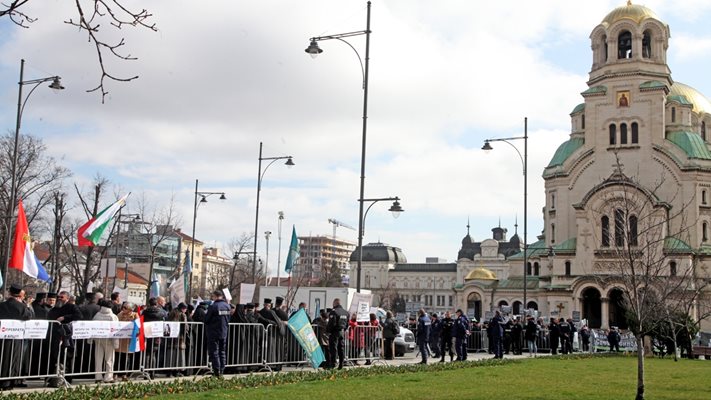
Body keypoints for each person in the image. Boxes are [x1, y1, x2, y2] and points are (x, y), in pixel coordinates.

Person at [0, 285, 33, 390]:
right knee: (13, 359)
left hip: (2, 337)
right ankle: (9, 382)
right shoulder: (21, 306)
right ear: (19, 295)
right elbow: (29, 316)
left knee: (2, 358)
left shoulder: (2, 305)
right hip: (16, 337)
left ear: (9, 293)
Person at [205, 290, 231, 377]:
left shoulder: (213, 306)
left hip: (213, 332)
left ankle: (217, 371)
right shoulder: (227, 306)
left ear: (215, 296)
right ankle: (222, 370)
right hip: (224, 332)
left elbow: (207, 319)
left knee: (214, 352)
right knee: (222, 351)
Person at [92, 299, 119, 383]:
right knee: (109, 359)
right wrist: (116, 343)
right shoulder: (113, 316)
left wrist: (90, 339)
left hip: (98, 339)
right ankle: (108, 377)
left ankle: (98, 377)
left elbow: (91, 327)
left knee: (98, 358)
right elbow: (115, 330)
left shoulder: (97, 315)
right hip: (109, 340)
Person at [327, 298, 349, 369]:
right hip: (342, 332)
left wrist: (328, 330)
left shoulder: (334, 312)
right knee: (341, 348)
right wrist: (343, 329)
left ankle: (333, 364)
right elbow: (347, 324)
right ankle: (341, 364)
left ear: (334, 303)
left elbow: (332, 323)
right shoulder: (346, 312)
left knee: (333, 348)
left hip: (334, 332)